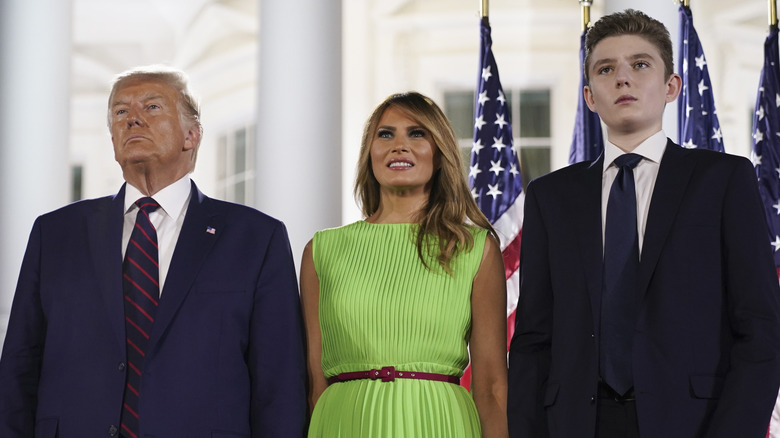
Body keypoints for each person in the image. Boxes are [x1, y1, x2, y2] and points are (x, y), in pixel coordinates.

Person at [508, 8, 780, 438]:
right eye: (606, 68)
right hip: (576, 424)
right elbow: (532, 342)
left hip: (695, 424)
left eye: (640, 64)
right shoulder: (550, 197)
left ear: (672, 86)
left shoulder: (724, 180)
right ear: (589, 96)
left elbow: (762, 331)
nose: (622, 78)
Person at [0, 66, 307, 438]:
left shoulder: (257, 238)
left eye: (152, 107)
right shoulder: (55, 234)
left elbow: (280, 385)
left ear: (192, 135)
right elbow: (18, 367)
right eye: (120, 112)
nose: (132, 120)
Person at [300, 92, 509, 437]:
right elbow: (314, 381)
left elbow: (491, 388)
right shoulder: (322, 251)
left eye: (417, 133)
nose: (399, 145)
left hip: (441, 423)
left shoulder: (475, 249)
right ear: (370, 153)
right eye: (385, 134)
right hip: (343, 422)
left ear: (440, 155)